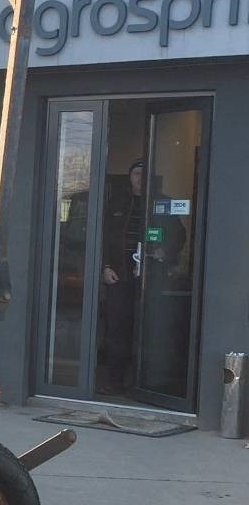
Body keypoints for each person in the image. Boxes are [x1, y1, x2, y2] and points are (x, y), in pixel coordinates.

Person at [98, 160, 145, 395]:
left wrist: (164, 252)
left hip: (148, 278)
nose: (140, 177)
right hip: (119, 275)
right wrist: (105, 267)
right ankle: (113, 381)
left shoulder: (158, 203)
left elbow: (178, 234)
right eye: (136, 173)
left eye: (144, 174)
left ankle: (142, 386)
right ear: (129, 176)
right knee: (117, 329)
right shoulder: (116, 203)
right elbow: (103, 236)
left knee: (144, 329)